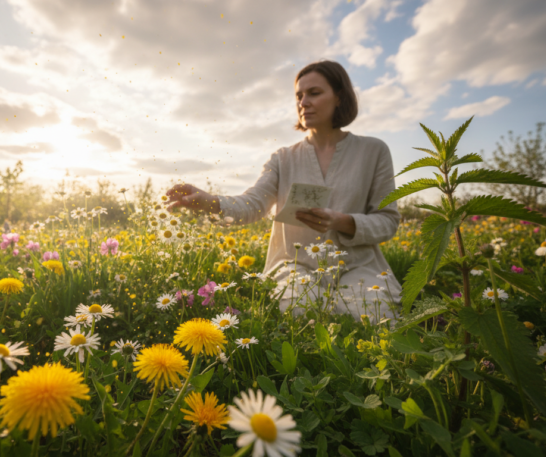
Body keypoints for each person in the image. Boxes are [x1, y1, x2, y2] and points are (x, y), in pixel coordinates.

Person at [166, 60, 402, 321]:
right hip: (295, 265)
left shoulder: (374, 151)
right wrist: (211, 202)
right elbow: (253, 203)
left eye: (314, 93)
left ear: (339, 97)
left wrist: (342, 221)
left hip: (359, 265)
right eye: (299, 96)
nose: (303, 102)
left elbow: (387, 221)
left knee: (372, 317)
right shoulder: (283, 158)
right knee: (299, 310)